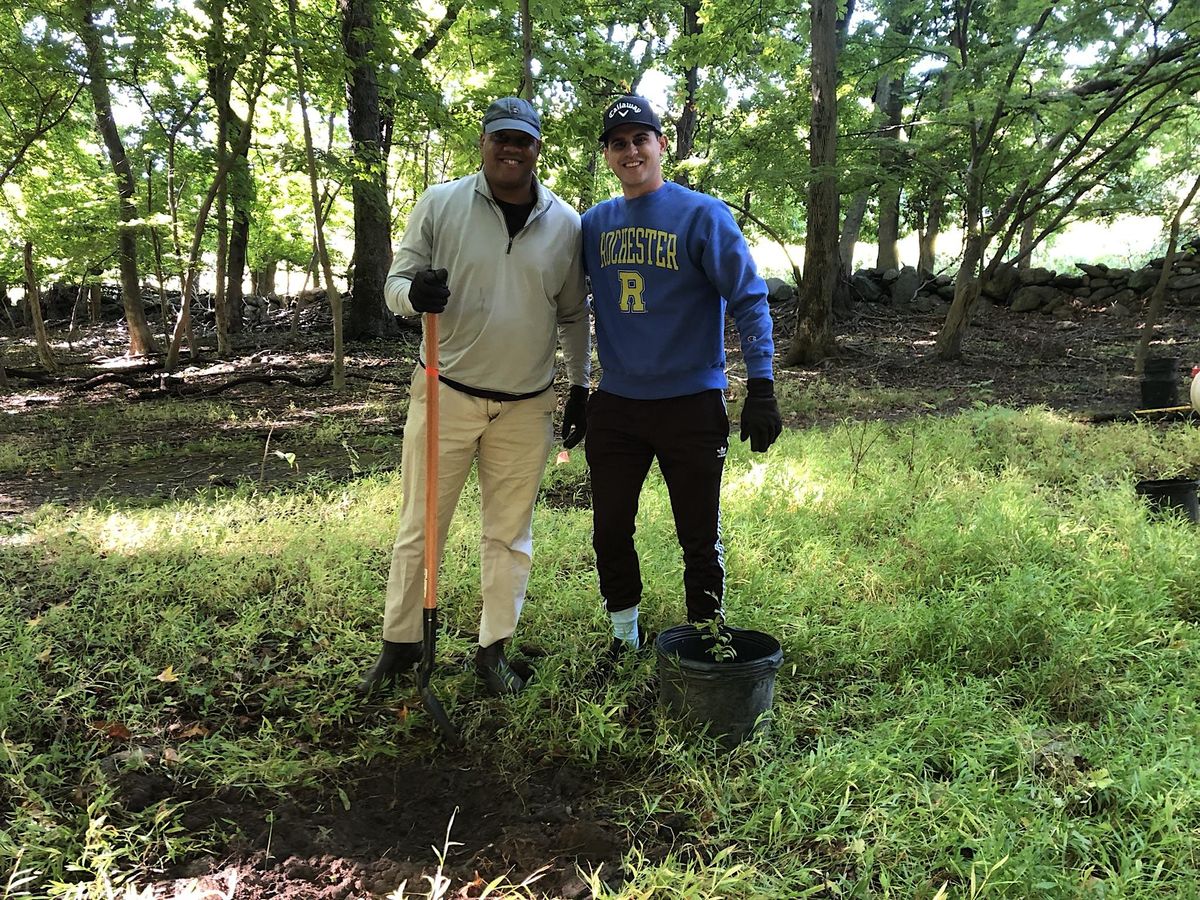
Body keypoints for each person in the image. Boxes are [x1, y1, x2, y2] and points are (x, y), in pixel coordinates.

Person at [360, 97, 591, 696]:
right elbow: (395, 283)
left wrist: (582, 385)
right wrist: (418, 297)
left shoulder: (566, 223)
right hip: (446, 393)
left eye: (523, 140)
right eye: (500, 139)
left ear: (538, 147)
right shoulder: (440, 204)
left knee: (509, 535)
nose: (510, 149)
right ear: (483, 142)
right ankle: (401, 643)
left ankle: (493, 651)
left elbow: (572, 315)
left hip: (527, 404)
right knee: (421, 526)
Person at [580, 96, 782, 657]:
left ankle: (706, 642)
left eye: (640, 139)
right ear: (607, 155)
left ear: (661, 145)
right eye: (618, 143)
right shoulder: (594, 225)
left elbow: (750, 298)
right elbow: (561, 301)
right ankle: (624, 637)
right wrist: (576, 388)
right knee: (610, 529)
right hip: (617, 404)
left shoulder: (703, 215)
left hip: (691, 402)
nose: (630, 150)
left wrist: (760, 387)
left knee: (698, 534)